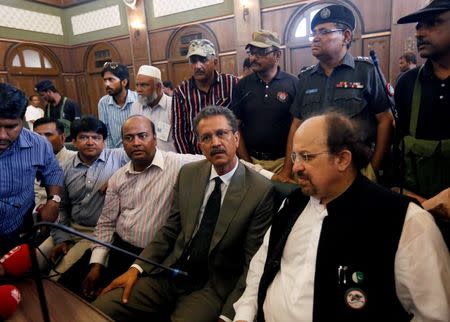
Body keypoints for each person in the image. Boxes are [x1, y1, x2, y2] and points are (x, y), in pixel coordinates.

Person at [233, 113, 450, 322]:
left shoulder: (405, 220)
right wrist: (244, 315)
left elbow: (434, 314)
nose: (296, 167)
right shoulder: (292, 204)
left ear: (343, 159)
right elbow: (262, 265)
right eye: (294, 156)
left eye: (307, 157)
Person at [93, 106, 275, 322]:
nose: (215, 143)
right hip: (168, 271)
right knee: (100, 309)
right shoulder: (189, 173)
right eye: (206, 137)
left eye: (221, 134)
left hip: (211, 286)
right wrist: (137, 267)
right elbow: (170, 229)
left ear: (236, 138)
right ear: (200, 145)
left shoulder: (260, 191)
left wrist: (229, 315)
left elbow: (253, 262)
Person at [81, 115, 204, 299]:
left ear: (155, 139)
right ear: (122, 143)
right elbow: (106, 223)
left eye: (142, 136)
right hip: (120, 249)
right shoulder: (118, 178)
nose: (136, 142)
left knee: (112, 302)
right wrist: (97, 263)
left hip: (155, 257)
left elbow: (218, 159)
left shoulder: (178, 164)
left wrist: (259, 172)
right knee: (77, 287)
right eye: (129, 138)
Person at [288, 4, 395, 181]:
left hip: (355, 169)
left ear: (345, 36)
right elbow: (296, 125)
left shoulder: (366, 71)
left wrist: (373, 168)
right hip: (312, 169)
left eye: (323, 32)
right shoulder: (306, 78)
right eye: (314, 33)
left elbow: (385, 120)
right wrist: (289, 167)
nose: (315, 38)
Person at [37, 116, 128, 280]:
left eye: (96, 137)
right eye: (84, 137)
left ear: (104, 141)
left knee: (55, 277)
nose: (90, 142)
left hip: (98, 233)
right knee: (34, 260)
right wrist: (62, 238)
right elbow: (61, 207)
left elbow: (145, 158)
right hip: (70, 227)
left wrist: (118, 176)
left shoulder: (120, 157)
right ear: (74, 141)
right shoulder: (63, 168)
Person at [395, 0, 450, 199]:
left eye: (433, 23)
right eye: (418, 26)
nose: (419, 33)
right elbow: (398, 150)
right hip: (418, 207)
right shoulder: (407, 83)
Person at [0, 83, 63, 255]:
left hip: (19, 228)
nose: (2, 135)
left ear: (23, 121)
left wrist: (54, 200)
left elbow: (52, 172)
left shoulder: (38, 144)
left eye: (11, 127)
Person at [233, 30, 298, 182]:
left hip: (285, 162)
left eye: (260, 53)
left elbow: (298, 129)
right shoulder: (242, 85)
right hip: (252, 161)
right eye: (252, 52)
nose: (253, 58)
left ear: (277, 55)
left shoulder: (294, 84)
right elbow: (235, 127)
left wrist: (287, 170)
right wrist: (248, 164)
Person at [172, 39, 239, 154]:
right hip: (197, 157)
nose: (198, 66)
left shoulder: (232, 83)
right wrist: (189, 161)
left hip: (229, 155)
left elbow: (240, 123)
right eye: (193, 61)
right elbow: (179, 133)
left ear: (215, 62)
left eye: (203, 60)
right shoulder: (181, 92)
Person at [131, 65, 176, 152]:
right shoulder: (135, 106)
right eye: (137, 85)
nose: (138, 90)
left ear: (158, 87)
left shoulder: (173, 105)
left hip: (170, 161)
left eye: (144, 85)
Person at [33, 117, 76, 207]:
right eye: (37, 136)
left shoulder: (76, 160)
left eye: (48, 135)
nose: (42, 140)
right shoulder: (26, 162)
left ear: (63, 137)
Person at [98, 62, 138, 148]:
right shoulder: (103, 103)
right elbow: (106, 134)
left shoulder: (138, 99)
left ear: (124, 82)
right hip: (116, 154)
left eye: (111, 80)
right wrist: (111, 156)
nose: (107, 84)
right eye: (105, 80)